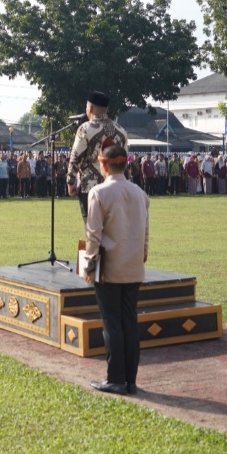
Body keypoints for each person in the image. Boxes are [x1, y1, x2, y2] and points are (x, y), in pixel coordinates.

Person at [82, 144, 149, 396]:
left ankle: (115, 378)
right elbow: (145, 235)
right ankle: (130, 379)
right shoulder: (140, 193)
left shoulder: (98, 193)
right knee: (129, 321)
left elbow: (93, 235)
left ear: (104, 165)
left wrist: (89, 264)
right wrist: (140, 258)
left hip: (109, 268)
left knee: (111, 323)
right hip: (133, 266)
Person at [67, 91, 128, 221]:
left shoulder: (85, 129)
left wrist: (70, 181)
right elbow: (125, 162)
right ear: (106, 109)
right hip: (116, 189)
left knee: (93, 230)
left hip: (89, 187)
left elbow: (75, 157)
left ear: (90, 108)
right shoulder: (121, 131)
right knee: (112, 230)